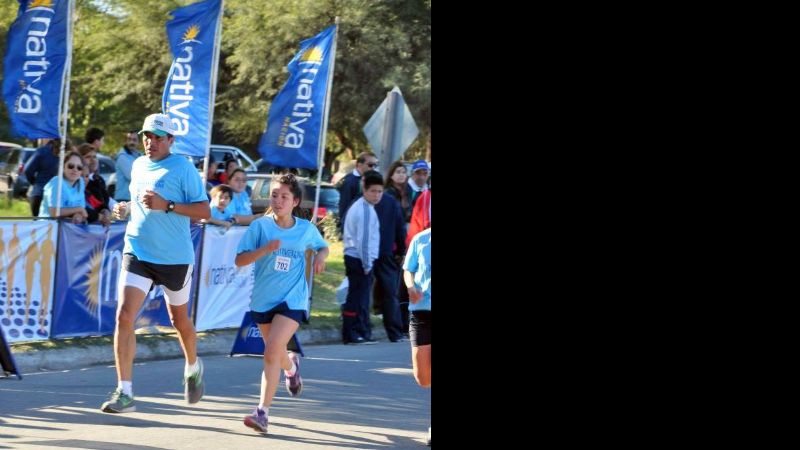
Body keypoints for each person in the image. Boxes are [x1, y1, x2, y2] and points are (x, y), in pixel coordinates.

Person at [102, 113, 210, 414]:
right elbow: (137, 202)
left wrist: (168, 206)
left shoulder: (183, 168)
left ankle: (192, 365)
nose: (151, 142)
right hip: (137, 251)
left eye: (158, 137)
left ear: (171, 141)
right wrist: (125, 209)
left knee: (179, 321)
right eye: (147, 136)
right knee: (124, 317)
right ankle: (125, 391)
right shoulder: (137, 165)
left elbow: (205, 210)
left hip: (174, 259)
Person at [234, 173, 329, 434]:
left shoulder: (305, 229)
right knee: (277, 353)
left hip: (293, 299)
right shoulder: (260, 227)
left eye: (284, 196)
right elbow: (239, 261)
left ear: (295, 201)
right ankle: (292, 367)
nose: (277, 200)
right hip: (263, 300)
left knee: (271, 350)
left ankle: (262, 413)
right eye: (274, 195)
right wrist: (264, 250)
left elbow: (323, 246)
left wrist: (320, 256)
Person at [341, 170, 383, 344]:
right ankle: (351, 333)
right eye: (373, 191)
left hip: (357, 258)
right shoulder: (364, 210)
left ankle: (355, 332)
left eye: (380, 191)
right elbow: (363, 241)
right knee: (356, 298)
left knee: (358, 297)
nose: (376, 195)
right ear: (364, 190)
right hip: (359, 259)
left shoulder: (365, 206)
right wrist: (367, 265)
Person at [403, 227, 432, 446]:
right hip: (421, 310)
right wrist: (411, 286)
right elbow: (408, 269)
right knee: (423, 377)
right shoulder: (421, 238)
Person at [371, 188, 406, 342]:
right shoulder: (391, 202)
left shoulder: (363, 200)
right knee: (390, 293)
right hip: (385, 251)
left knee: (367, 291)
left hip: (369, 251)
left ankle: (363, 330)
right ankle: (395, 332)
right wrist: (401, 250)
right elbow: (400, 228)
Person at [38, 151, 88, 224]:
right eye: (71, 166)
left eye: (79, 167)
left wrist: (78, 215)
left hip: (67, 229)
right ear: (63, 167)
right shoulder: (56, 182)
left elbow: (81, 211)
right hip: (48, 228)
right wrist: (79, 209)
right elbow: (54, 212)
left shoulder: (80, 183)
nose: (75, 169)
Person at [337, 152, 378, 231]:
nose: (373, 168)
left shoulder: (370, 179)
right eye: (370, 165)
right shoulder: (350, 181)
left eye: (375, 165)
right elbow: (344, 205)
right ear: (359, 165)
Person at [24, 139, 65, 217]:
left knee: (38, 226)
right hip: (57, 196)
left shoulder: (42, 151)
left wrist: (34, 183)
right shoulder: (66, 154)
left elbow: (27, 170)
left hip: (39, 193)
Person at [78, 143, 112, 226]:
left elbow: (105, 201)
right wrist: (100, 216)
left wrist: (106, 210)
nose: (93, 160)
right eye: (88, 157)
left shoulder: (99, 179)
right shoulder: (76, 180)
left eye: (94, 156)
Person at [115, 130, 142, 202]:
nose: (131, 142)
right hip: (123, 199)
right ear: (125, 141)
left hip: (135, 198)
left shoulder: (140, 155)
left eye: (134, 140)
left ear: (138, 142)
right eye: (129, 139)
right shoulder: (122, 157)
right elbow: (131, 176)